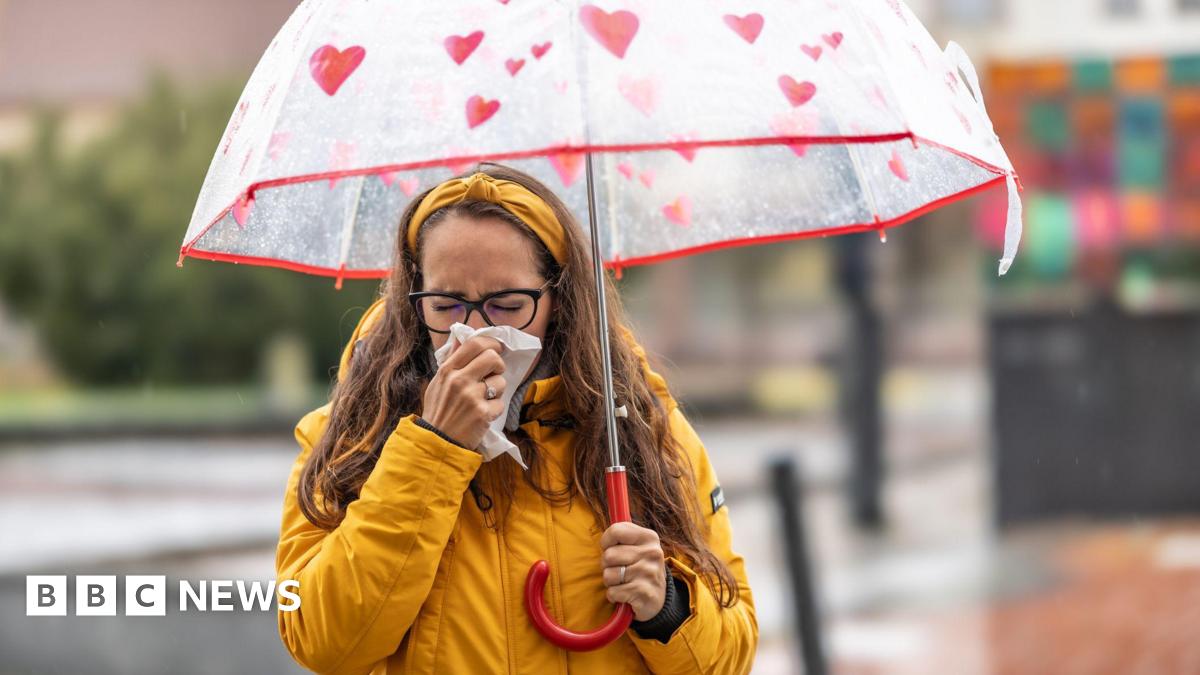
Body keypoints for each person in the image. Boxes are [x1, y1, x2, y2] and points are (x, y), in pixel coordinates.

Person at [274, 163, 757, 674]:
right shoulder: (353, 431)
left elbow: (733, 653)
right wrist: (433, 447)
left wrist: (667, 607)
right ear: (413, 300)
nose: (476, 331)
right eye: (445, 305)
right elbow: (320, 640)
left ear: (560, 298)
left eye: (507, 304)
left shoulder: (639, 427)